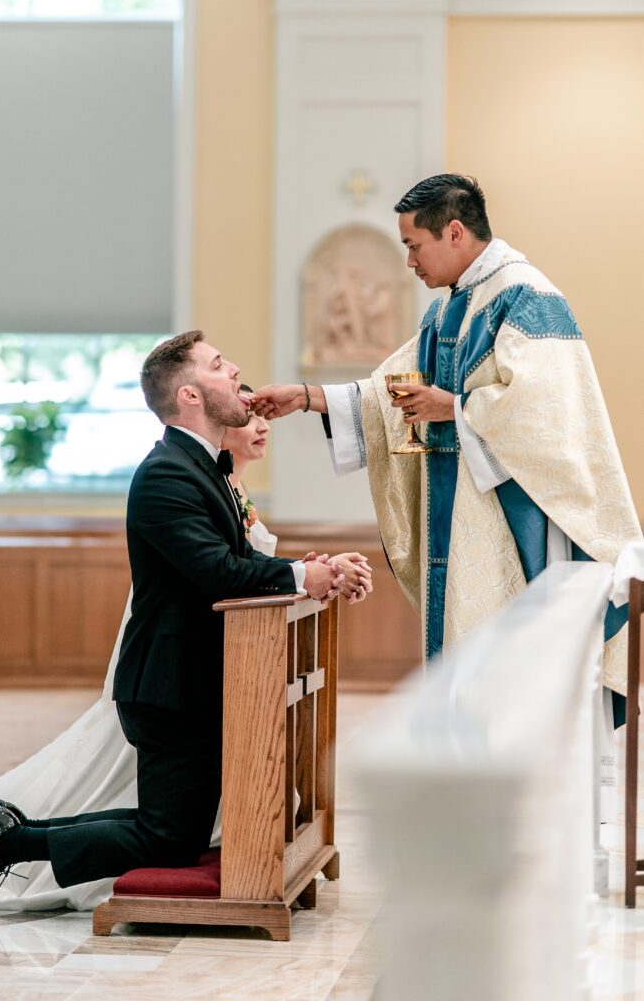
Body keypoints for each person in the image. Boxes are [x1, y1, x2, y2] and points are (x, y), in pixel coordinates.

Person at [0, 331, 371, 912]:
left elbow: (244, 560)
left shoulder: (204, 467)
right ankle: (5, 843)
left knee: (171, 827)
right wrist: (304, 580)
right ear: (190, 396)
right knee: (168, 837)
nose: (235, 372)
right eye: (218, 365)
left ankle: (9, 834)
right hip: (168, 686)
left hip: (194, 683)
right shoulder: (164, 475)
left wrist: (307, 570)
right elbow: (217, 570)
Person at [253, 173, 642, 720]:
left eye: (414, 245)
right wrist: (307, 396)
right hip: (461, 526)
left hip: (512, 528)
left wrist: (453, 407)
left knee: (511, 681)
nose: (409, 263)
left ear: (454, 232)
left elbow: (549, 415)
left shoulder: (527, 298)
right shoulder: (448, 309)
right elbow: (389, 389)